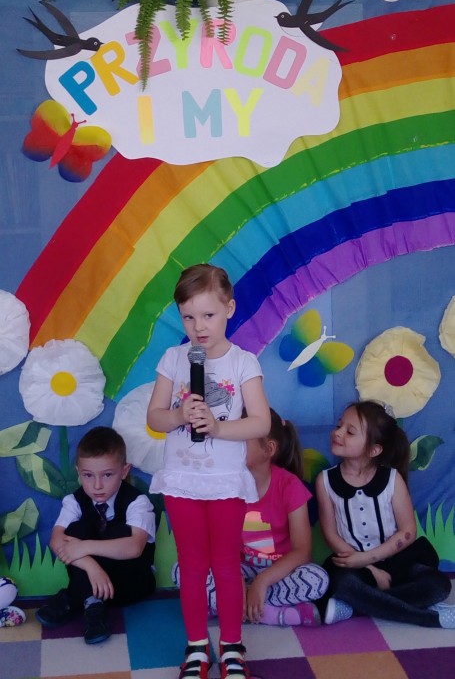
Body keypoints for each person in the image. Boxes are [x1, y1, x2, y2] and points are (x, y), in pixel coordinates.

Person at [147, 263, 271, 679]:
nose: (198, 327)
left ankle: (232, 646)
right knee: (193, 565)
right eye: (188, 317)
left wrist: (217, 428)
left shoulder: (243, 362)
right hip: (181, 481)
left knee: (225, 564)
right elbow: (155, 418)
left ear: (229, 309)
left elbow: (260, 423)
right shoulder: (173, 359)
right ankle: (197, 647)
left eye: (208, 315)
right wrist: (179, 415)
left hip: (225, 483)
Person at [316, 400, 454, 628]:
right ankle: (429, 617)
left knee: (438, 585)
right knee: (342, 583)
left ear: (374, 450)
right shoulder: (325, 481)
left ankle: (354, 608)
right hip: (355, 564)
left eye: (350, 431)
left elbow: (407, 532)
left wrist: (370, 558)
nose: (337, 433)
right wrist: (367, 567)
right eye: (339, 426)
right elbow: (331, 534)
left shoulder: (392, 479)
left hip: (397, 560)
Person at [185, 408, 329, 627]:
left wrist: (262, 581)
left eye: (241, 439)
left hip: (279, 572)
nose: (231, 444)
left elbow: (302, 551)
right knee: (183, 569)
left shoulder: (289, 486)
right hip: (236, 569)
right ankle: (268, 611)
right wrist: (235, 580)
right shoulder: (224, 483)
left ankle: (240, 606)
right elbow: (217, 545)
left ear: (268, 449)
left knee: (317, 579)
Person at [36, 426, 156, 644]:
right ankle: (92, 604)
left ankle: (73, 597)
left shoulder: (137, 502)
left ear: (124, 471)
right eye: (88, 475)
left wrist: (84, 547)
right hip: (93, 580)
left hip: (130, 583)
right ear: (78, 472)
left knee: (120, 531)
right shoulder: (75, 501)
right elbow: (56, 540)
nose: (97, 485)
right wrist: (91, 566)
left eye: (107, 475)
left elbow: (134, 548)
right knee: (75, 530)